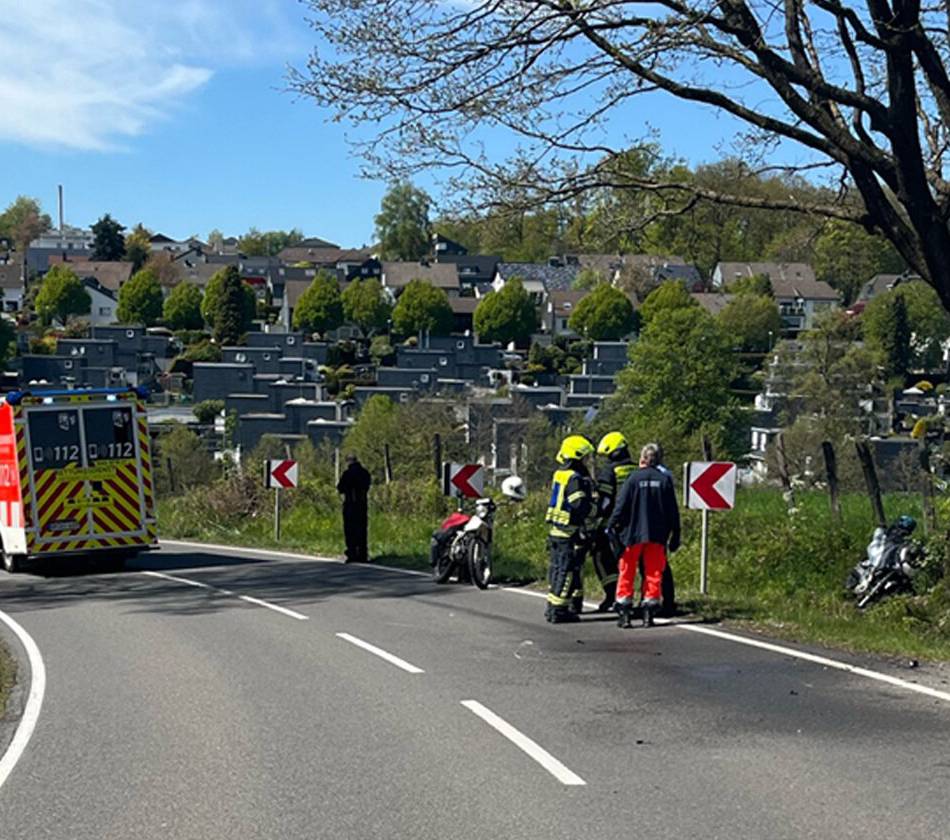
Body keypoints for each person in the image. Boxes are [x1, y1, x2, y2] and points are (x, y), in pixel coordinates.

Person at [607, 442, 680, 628]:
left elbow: (620, 506)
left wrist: (611, 526)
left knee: (627, 572)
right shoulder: (664, 480)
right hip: (657, 536)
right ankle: (649, 613)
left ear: (642, 458)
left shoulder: (633, 479)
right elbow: (673, 511)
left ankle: (625, 614)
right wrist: (675, 534)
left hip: (631, 535)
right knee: (654, 573)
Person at [544, 435, 595, 623]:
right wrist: (593, 509)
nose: (586, 461)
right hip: (568, 531)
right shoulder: (574, 478)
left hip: (556, 531)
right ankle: (559, 610)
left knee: (556, 570)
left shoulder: (560, 473)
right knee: (566, 571)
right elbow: (579, 504)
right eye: (584, 457)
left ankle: (552, 607)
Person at [591, 431, 637, 612]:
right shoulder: (636, 468)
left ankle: (613, 594)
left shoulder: (609, 471)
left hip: (613, 522)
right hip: (636, 523)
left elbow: (606, 500)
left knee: (600, 555)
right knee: (633, 562)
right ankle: (632, 597)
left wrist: (596, 515)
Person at [337, 454, 372, 563]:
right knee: (362, 529)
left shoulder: (347, 474)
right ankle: (362, 554)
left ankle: (352, 553)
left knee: (350, 530)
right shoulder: (364, 473)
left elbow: (340, 488)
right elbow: (367, 486)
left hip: (350, 505)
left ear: (348, 462)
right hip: (362, 505)